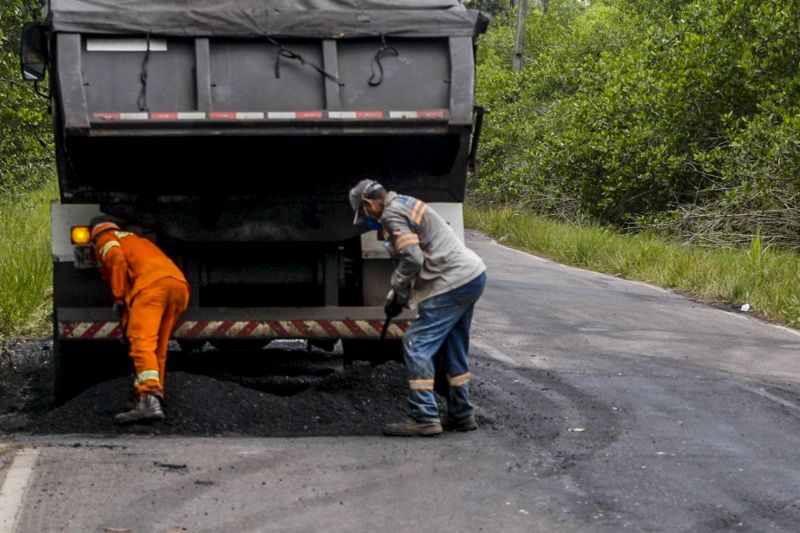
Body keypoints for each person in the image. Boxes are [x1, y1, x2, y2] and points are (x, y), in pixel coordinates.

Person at [348, 179, 487, 436]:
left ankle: (424, 416)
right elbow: (415, 255)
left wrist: (398, 290)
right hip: (472, 275)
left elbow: (413, 258)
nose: (368, 219)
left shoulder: (391, 213)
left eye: (365, 213)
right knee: (454, 346)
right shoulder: (404, 202)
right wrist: (396, 296)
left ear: (369, 203)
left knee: (416, 344)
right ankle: (462, 413)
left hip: (451, 281)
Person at [89, 217, 190, 424]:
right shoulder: (134, 240)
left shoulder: (104, 238)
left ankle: (148, 399)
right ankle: (153, 396)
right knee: (158, 348)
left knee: (141, 342)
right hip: (178, 286)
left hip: (152, 287)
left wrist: (117, 297)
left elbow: (115, 259)